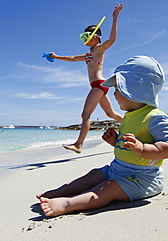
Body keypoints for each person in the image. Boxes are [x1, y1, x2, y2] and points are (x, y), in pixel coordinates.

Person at [38, 56, 168, 217]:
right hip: (117, 168)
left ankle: (67, 204)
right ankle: (60, 191)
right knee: (93, 175)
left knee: (109, 188)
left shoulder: (155, 117)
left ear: (134, 89)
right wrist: (116, 141)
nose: (114, 93)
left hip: (142, 179)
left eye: (118, 89)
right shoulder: (130, 115)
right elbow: (128, 147)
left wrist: (142, 148)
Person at [49, 3, 124, 154]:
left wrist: (115, 19)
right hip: (98, 86)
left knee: (85, 115)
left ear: (96, 37)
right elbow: (72, 58)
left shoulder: (99, 49)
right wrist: (56, 57)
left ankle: (79, 145)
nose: (84, 40)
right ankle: (136, 124)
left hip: (99, 84)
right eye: (82, 37)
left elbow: (112, 40)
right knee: (110, 114)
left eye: (86, 36)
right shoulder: (88, 55)